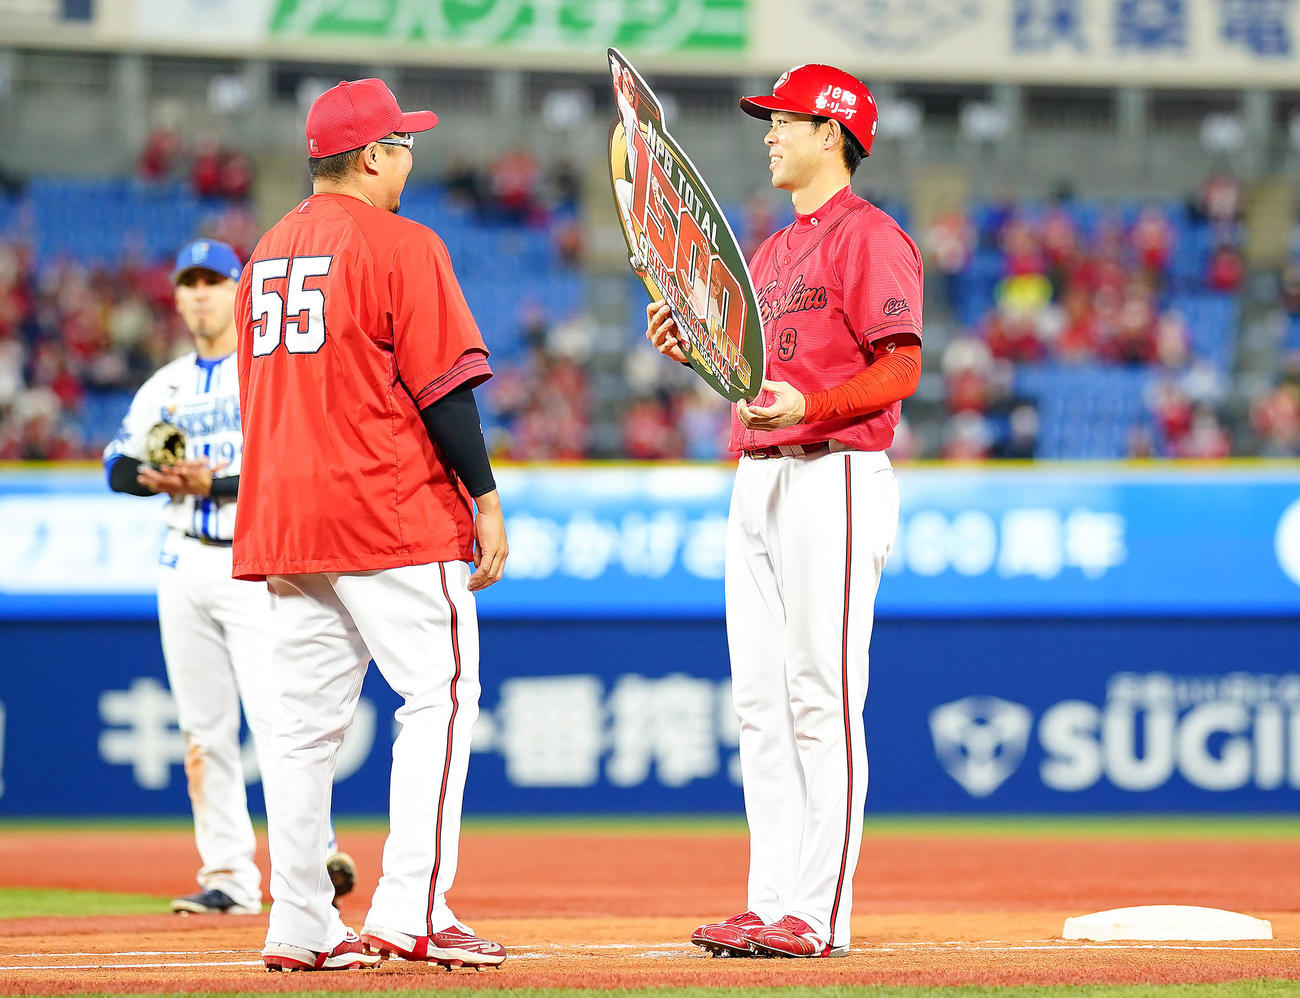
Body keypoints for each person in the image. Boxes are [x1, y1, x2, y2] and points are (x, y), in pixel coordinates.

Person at [644, 65, 923, 958]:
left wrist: (812, 407)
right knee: (760, 705)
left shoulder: (872, 237)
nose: (768, 132)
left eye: (782, 120)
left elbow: (900, 366)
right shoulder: (769, 251)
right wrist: (696, 353)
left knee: (821, 696)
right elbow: (752, 376)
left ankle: (819, 910)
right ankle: (771, 901)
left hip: (835, 470)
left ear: (832, 131)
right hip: (760, 474)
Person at [234, 78, 509, 973]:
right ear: (368, 156)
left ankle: (302, 921)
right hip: (388, 509)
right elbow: (443, 390)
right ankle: (413, 908)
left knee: (302, 730)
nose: (410, 157)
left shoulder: (265, 254)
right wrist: (484, 495)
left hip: (287, 517)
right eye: (402, 144)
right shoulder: (399, 242)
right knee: (440, 695)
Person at [104, 239, 356, 917]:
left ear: (241, 290)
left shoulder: (268, 371)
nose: (199, 293)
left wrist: (210, 481)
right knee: (203, 732)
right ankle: (230, 877)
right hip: (184, 558)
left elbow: (298, 460)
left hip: (257, 560)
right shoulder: (167, 385)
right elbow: (116, 466)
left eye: (213, 280)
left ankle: (311, 860)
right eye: (188, 282)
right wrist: (154, 477)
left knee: (280, 722)